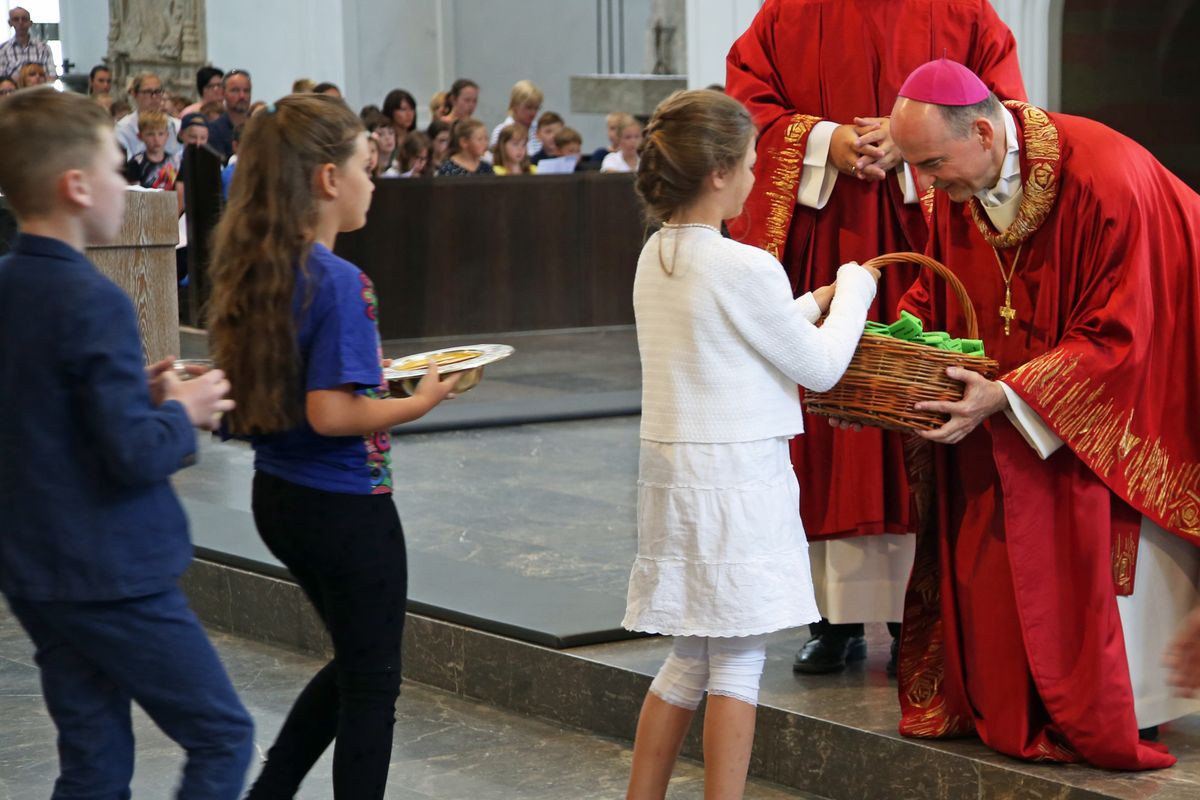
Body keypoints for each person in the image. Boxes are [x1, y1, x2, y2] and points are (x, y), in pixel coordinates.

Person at [886, 57, 1200, 770]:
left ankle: (1124, 701)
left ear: (988, 134)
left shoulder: (1105, 177)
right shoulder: (953, 188)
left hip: (1153, 371)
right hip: (1024, 398)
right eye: (915, 167)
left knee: (1099, 529)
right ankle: (1014, 693)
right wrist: (897, 354)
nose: (925, 186)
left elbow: (1124, 333)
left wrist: (1007, 395)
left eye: (932, 163)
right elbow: (937, 295)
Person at [725, 0, 1027, 674]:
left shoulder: (963, 11)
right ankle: (830, 619)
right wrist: (824, 142)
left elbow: (1002, 113)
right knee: (829, 432)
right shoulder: (788, 12)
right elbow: (746, 103)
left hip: (929, 236)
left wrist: (915, 144)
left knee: (917, 414)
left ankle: (918, 612)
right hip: (825, 241)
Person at [623, 89, 879, 799]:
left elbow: (735, 339)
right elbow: (819, 367)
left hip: (677, 476)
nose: (756, 174)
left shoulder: (659, 256)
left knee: (689, 659)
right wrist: (856, 291)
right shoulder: (745, 266)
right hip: (735, 480)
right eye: (750, 164)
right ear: (717, 175)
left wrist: (813, 302)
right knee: (737, 661)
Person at [0, 86, 253, 799]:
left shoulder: (10, 284)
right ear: (76, 187)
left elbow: (37, 405)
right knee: (223, 737)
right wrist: (185, 409)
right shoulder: (95, 299)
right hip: (113, 574)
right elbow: (134, 454)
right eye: (117, 171)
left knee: (95, 762)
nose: (131, 185)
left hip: (36, 570)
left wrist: (137, 391)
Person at [205, 93, 460, 798]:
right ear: (327, 179)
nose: (372, 182)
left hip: (278, 496)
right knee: (374, 685)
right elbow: (329, 411)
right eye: (365, 167)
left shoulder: (261, 267)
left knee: (356, 662)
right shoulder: (341, 281)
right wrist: (421, 399)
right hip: (345, 503)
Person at [115, 72, 183, 161]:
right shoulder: (123, 129)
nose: (154, 96)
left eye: (158, 91)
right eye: (147, 92)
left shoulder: (176, 126)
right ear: (134, 94)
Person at [124, 110, 179, 191]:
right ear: (140, 136)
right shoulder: (136, 163)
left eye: (160, 134)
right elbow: (135, 194)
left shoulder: (175, 161)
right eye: (150, 134)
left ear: (167, 135)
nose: (156, 139)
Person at [0, 6, 55, 83]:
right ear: (10, 23)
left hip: (39, 92)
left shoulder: (44, 48)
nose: (20, 22)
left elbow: (51, 77)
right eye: (16, 19)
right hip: (13, 93)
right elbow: (1, 81)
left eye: (24, 19)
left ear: (30, 23)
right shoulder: (2, 50)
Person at [207, 69, 252, 162]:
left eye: (246, 91)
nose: (242, 96)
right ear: (223, 93)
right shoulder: (213, 132)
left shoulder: (260, 129)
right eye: (235, 90)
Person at [489, 80, 543, 153]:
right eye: (528, 107)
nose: (533, 113)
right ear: (514, 106)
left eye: (536, 108)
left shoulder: (541, 130)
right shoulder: (501, 131)